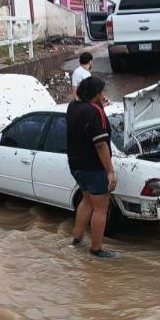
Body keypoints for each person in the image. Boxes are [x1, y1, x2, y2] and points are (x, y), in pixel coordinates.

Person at [66, 75, 117, 258]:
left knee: (86, 201)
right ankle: (96, 250)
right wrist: (110, 171)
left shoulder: (73, 107)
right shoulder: (95, 112)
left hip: (76, 165)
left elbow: (87, 123)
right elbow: (101, 144)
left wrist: (100, 107)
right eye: (102, 91)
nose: (104, 94)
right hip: (94, 168)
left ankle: (77, 239)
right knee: (101, 209)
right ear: (96, 93)